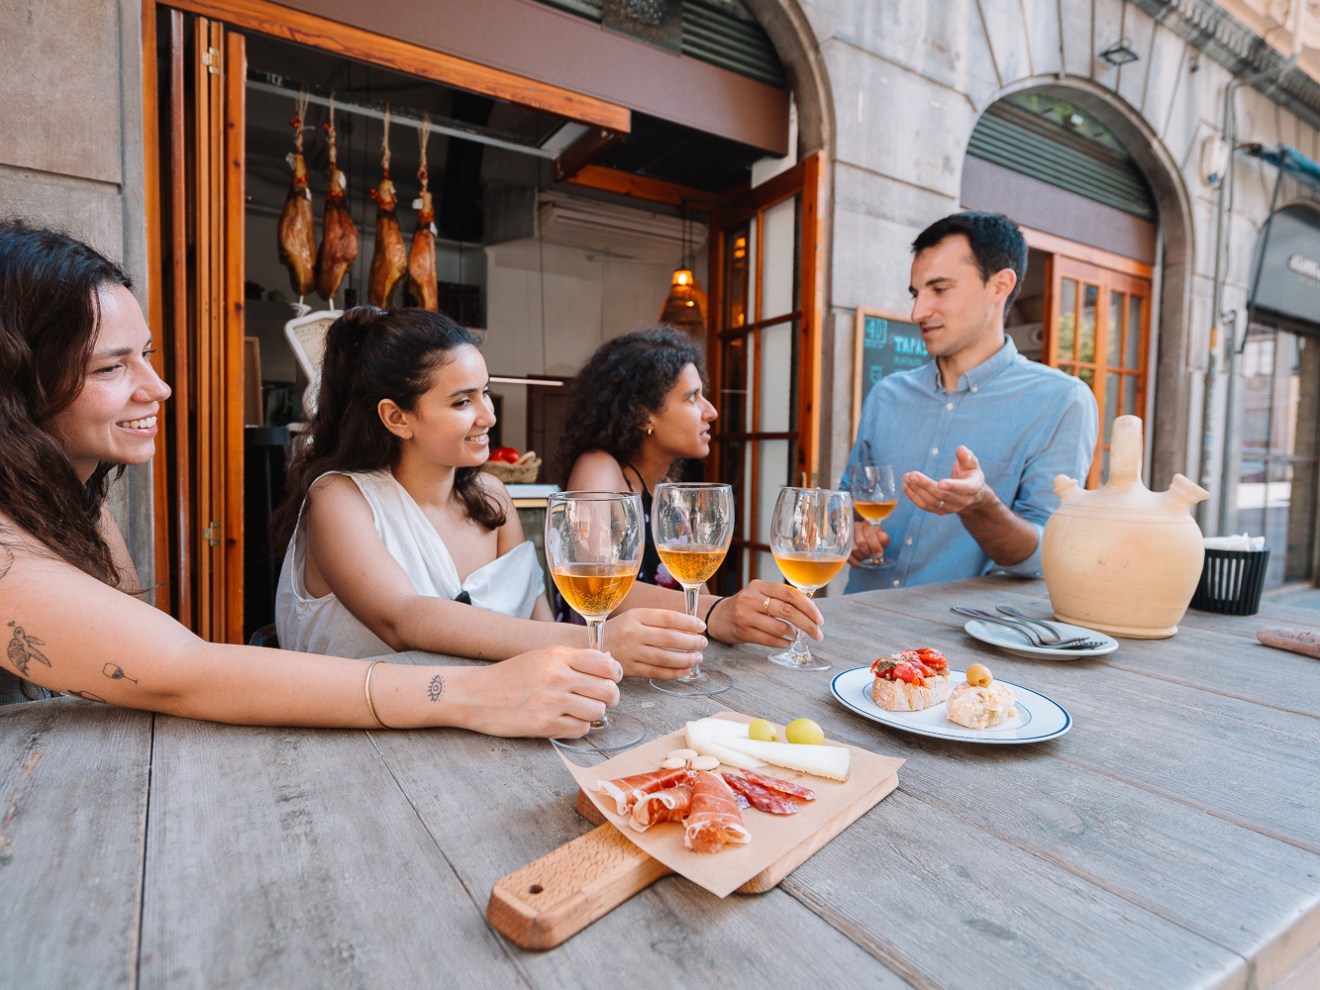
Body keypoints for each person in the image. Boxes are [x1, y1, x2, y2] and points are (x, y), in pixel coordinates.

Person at [0, 219, 620, 737]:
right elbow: (178, 670)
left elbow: (128, 663)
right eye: (112, 366)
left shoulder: (76, 498)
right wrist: (470, 693)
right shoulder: (342, 497)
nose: (157, 387)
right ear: (18, 384)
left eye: (148, 354)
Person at [270, 308, 705, 681]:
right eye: (462, 402)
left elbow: (539, 619)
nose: (488, 414)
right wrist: (596, 639)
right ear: (397, 417)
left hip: (498, 731)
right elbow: (403, 618)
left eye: (485, 392)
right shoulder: (338, 499)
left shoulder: (492, 497)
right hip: (364, 751)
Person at [843, 211, 1099, 591]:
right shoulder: (887, 395)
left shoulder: (1062, 401)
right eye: (916, 294)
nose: (917, 312)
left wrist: (981, 505)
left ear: (1000, 286)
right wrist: (855, 532)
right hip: (858, 625)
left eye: (940, 289)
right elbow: (845, 506)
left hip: (961, 641)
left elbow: (1046, 556)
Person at [558, 327, 825, 648]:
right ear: (644, 416)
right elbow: (597, 586)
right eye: (692, 397)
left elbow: (699, 595)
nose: (711, 411)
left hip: (665, 661)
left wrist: (727, 615)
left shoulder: (667, 490)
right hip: (601, 665)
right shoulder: (600, 468)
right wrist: (716, 611)